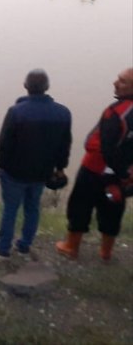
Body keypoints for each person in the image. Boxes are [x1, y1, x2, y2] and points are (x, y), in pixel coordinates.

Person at [0, 69, 71, 260]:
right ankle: (25, 244)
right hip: (42, 173)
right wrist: (60, 168)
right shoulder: (63, 113)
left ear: (26, 86)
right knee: (33, 208)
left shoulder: (17, 112)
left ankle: (4, 247)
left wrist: (2, 166)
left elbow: (4, 144)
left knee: (10, 209)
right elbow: (65, 144)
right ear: (47, 87)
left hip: (14, 173)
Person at [56, 68, 133, 261]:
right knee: (113, 209)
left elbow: (107, 148)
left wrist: (122, 173)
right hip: (122, 176)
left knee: (80, 206)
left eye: (122, 81)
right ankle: (105, 252)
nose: (115, 83)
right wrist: (126, 175)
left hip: (95, 169)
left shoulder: (115, 112)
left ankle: (71, 247)